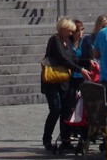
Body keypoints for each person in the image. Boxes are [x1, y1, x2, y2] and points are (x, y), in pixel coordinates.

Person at [41, 15, 87, 154]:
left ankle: (65, 140)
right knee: (55, 109)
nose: (72, 33)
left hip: (64, 82)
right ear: (62, 29)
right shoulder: (54, 40)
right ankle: (47, 139)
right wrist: (80, 70)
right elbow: (62, 58)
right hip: (52, 82)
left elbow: (74, 58)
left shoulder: (67, 41)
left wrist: (87, 63)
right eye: (70, 31)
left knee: (66, 110)